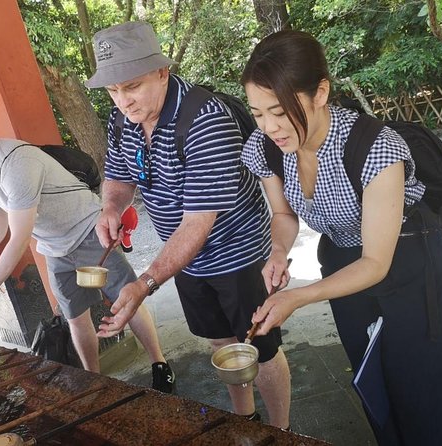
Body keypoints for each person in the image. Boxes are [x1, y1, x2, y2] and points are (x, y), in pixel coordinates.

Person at [240, 30, 442, 444]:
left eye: (279, 111)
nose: (269, 126)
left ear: (321, 92)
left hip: (406, 255)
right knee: (373, 378)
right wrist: (277, 251)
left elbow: (376, 263)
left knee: (423, 387)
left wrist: (296, 297)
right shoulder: (268, 147)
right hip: (343, 260)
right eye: (257, 113)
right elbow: (282, 213)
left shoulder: (375, 148)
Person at [85, 21, 291, 427]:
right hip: (183, 259)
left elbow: (197, 224)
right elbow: (120, 176)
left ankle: (283, 428)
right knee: (221, 343)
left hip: (237, 253)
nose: (122, 100)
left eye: (132, 86)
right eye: (112, 90)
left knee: (261, 349)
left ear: (162, 71)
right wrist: (110, 206)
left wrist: (144, 283)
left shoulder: (204, 119)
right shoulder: (122, 118)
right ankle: (243, 418)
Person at [0, 111, 175, 393]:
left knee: (128, 298)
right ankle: (95, 381)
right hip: (56, 249)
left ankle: (160, 364)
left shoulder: (16, 161)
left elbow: (19, 236)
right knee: (75, 316)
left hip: (90, 231)